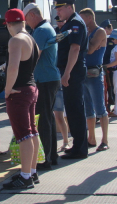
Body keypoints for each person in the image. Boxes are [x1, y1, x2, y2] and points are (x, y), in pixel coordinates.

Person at [2, 8, 40, 190]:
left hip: (19, 91)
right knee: (32, 131)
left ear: (9, 24)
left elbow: (13, 68)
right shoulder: (32, 39)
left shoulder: (15, 40)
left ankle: (25, 177)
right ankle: (31, 171)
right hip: (31, 87)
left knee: (24, 135)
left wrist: (8, 90)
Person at [23, 3, 61, 169]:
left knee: (43, 120)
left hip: (44, 80)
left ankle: (45, 159)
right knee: (48, 118)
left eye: (25, 19)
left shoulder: (41, 31)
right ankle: (51, 156)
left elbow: (33, 55)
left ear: (31, 15)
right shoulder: (46, 28)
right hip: (48, 78)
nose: (25, 23)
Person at [55, 0, 88, 159]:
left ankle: (80, 149)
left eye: (60, 9)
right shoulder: (70, 23)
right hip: (70, 71)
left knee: (75, 109)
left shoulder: (75, 23)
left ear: (69, 7)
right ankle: (77, 145)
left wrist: (67, 73)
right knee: (72, 108)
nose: (58, 12)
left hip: (73, 72)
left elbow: (75, 49)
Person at [79, 8, 109, 152]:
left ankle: (104, 140)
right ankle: (91, 138)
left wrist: (81, 38)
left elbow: (90, 49)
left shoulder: (100, 31)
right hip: (84, 72)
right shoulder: (88, 32)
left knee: (100, 108)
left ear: (89, 18)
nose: (80, 22)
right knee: (88, 108)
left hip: (94, 73)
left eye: (82, 18)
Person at [53, 16, 70, 152]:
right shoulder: (53, 33)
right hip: (53, 77)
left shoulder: (69, 34)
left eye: (62, 21)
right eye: (58, 21)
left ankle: (66, 140)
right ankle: (65, 141)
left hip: (63, 76)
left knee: (66, 113)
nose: (60, 23)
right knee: (58, 114)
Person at [101, 19, 115, 110]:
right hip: (105, 66)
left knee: (112, 87)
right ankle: (108, 105)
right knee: (107, 87)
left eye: (104, 29)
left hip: (112, 67)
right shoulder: (104, 38)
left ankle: (114, 104)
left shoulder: (114, 39)